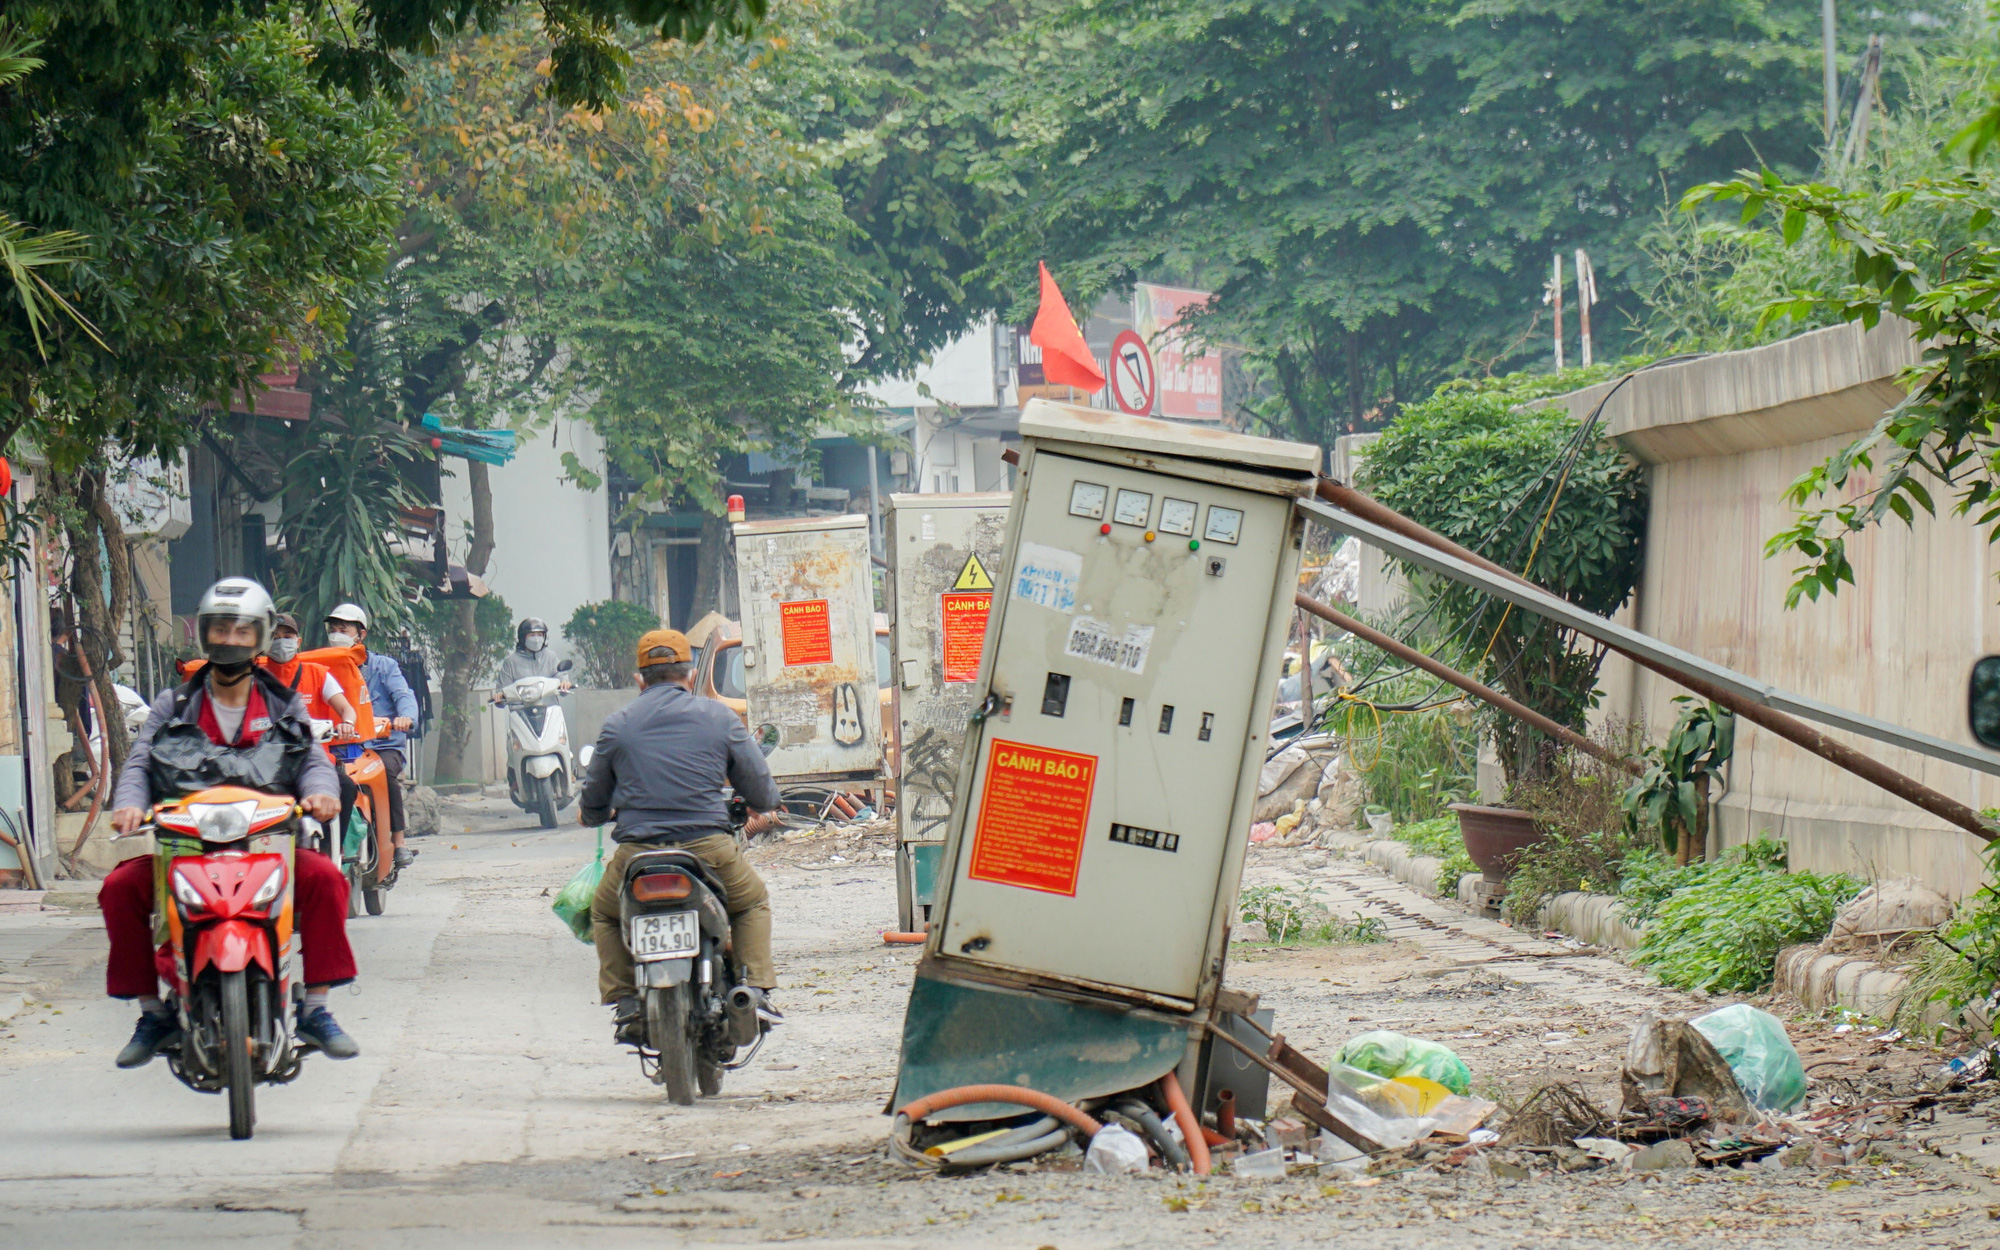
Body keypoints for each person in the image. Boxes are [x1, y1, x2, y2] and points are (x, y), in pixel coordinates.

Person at [103, 578, 360, 1068]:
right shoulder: (173, 705)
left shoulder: (285, 705)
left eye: (242, 631)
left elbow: (312, 759)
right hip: (186, 848)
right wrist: (130, 804)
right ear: (204, 634)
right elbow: (140, 761)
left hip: (269, 845)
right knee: (119, 889)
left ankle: (317, 1007)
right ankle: (152, 1011)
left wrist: (322, 793)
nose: (230, 640)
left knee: (327, 879)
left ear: (260, 637)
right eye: (220, 629)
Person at [580, 629, 783, 1045]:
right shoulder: (720, 718)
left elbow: (594, 803)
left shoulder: (617, 726)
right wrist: (757, 803)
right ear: (690, 675)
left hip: (638, 854)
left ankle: (626, 1001)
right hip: (708, 848)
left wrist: (596, 814)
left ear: (640, 679)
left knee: (603, 912)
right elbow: (763, 794)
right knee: (751, 901)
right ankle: (755, 989)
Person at [323, 603, 419, 869]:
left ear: (361, 635)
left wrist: (405, 718)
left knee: (385, 772)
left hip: (382, 746)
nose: (337, 634)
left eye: (344, 629)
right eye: (333, 629)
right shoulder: (320, 667)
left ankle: (398, 841)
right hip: (338, 745)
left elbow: (404, 697)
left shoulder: (384, 667)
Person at [267, 612, 358, 854]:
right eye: (274, 636)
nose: (281, 641)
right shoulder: (253, 677)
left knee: (346, 788)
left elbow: (346, 708)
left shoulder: (318, 674)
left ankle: (330, 851)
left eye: (287, 636)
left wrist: (347, 723)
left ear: (298, 641)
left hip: (315, 760)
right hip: (266, 763)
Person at [495, 617, 566, 691]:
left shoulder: (551, 657)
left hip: (549, 702)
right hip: (521, 702)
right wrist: (501, 694)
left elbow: (561, 677)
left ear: (544, 637)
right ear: (523, 638)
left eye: (539, 635)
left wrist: (564, 683)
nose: (536, 639)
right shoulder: (511, 662)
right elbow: (503, 689)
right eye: (532, 635)